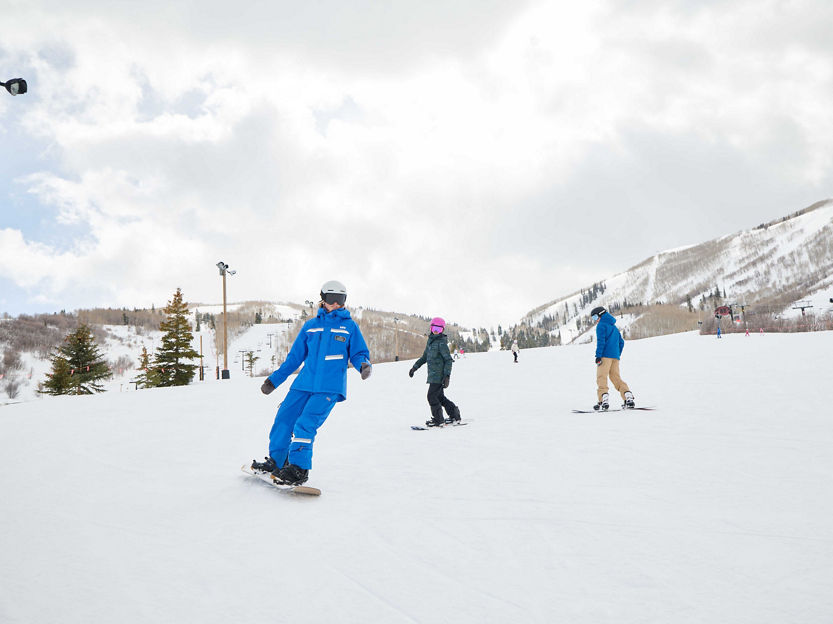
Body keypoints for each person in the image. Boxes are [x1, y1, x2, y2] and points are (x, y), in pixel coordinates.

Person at [251, 280, 371, 485]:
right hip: (303, 384)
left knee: (305, 424)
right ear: (322, 299)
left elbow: (359, 352)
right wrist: (273, 381)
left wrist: (363, 365)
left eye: (340, 300)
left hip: (329, 387)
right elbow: (294, 359)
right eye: (331, 299)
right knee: (283, 419)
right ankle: (278, 461)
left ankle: (299, 469)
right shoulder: (311, 326)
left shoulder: (349, 326)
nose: (335, 304)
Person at [409, 317, 461, 427]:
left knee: (431, 396)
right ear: (431, 328)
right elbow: (424, 357)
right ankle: (454, 415)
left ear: (442, 330)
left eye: (439, 328)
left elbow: (448, 360)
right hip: (432, 375)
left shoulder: (441, 343)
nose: (436, 330)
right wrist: (414, 368)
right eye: (434, 328)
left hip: (439, 376)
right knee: (440, 397)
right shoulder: (430, 342)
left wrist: (447, 376)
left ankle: (439, 420)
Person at [590, 306, 635, 411]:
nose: (595, 320)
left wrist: (598, 356)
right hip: (615, 357)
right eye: (593, 318)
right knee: (616, 378)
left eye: (595, 317)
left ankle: (603, 400)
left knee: (601, 377)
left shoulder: (601, 326)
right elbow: (621, 342)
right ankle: (627, 396)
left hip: (605, 356)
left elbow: (601, 342)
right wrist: (617, 354)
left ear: (601, 314)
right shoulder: (614, 327)